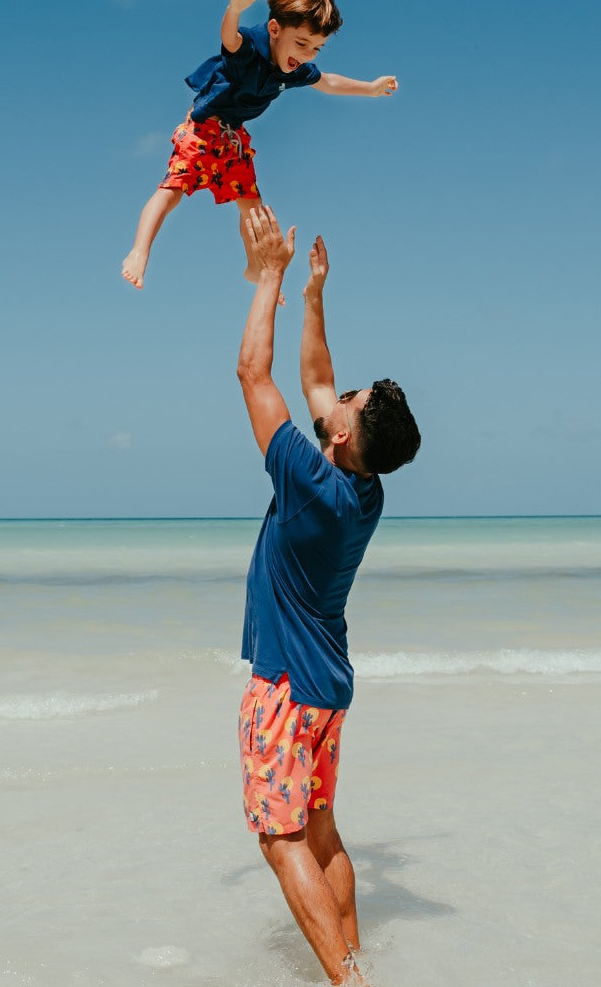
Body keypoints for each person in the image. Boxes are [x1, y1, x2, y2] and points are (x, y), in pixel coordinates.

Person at [235, 205, 421, 986]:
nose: (337, 396)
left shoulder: (309, 482)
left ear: (340, 439)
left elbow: (256, 375)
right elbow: (314, 379)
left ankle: (346, 980)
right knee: (322, 832)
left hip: (284, 688)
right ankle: (356, 959)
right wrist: (313, 296)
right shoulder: (364, 488)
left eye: (348, 401)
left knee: (279, 842)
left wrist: (268, 278)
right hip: (329, 689)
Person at [121, 0, 398, 291]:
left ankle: (254, 267)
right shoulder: (251, 49)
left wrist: (371, 87)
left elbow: (328, 82)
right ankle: (139, 252)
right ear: (275, 29)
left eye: (316, 48)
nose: (307, 55)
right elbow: (230, 39)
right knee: (171, 193)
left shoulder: (296, 69)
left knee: (252, 206)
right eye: (302, 43)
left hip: (233, 137)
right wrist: (235, 10)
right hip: (201, 129)